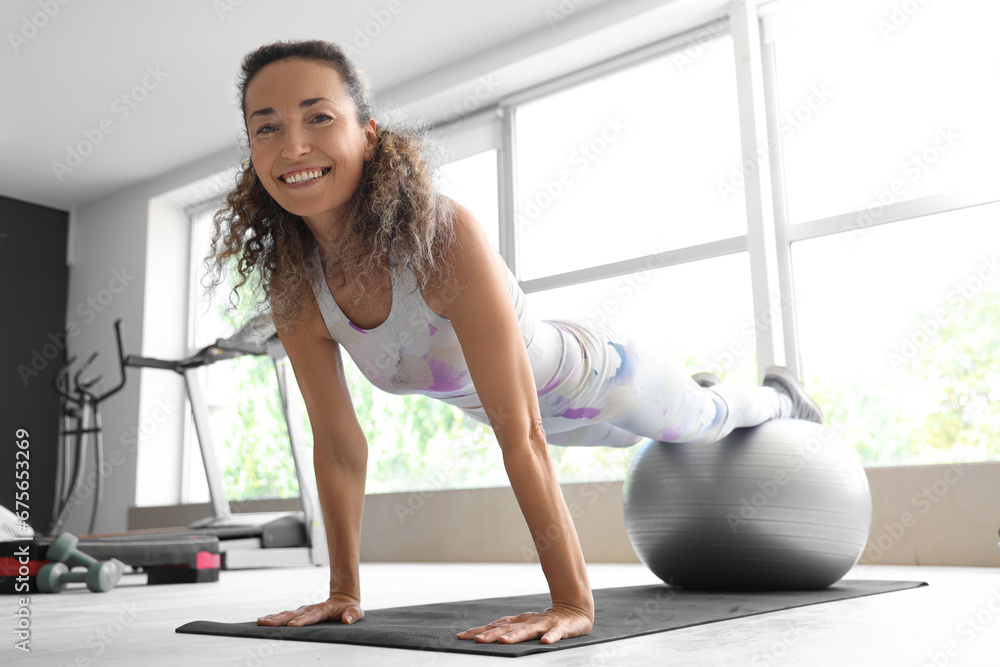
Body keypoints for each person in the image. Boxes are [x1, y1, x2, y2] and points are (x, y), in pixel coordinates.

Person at [206, 39, 823, 646]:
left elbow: (520, 427)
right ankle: (700, 391)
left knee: (702, 421)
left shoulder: (438, 238)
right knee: (649, 437)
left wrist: (572, 603)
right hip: (542, 422)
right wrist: (344, 593)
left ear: (367, 134)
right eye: (267, 128)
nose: (293, 146)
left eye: (319, 117)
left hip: (596, 377)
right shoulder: (296, 288)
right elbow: (339, 446)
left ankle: (778, 398)